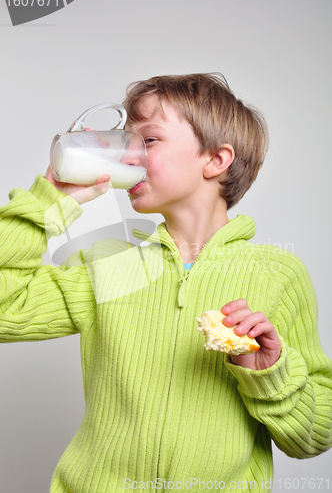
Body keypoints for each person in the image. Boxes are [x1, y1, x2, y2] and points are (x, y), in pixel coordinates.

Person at [0, 73, 331, 493]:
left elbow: (314, 439)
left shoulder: (278, 274)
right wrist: (49, 200)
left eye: (149, 141)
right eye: (126, 141)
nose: (129, 156)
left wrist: (270, 374)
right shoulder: (108, 265)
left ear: (216, 160)